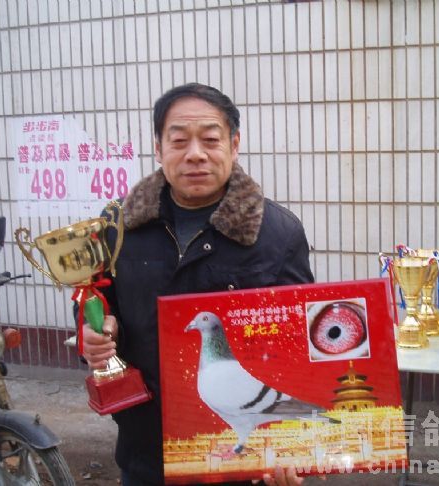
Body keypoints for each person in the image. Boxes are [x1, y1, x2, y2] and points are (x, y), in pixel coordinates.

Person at [81, 83, 314, 486]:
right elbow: (95, 298)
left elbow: (298, 346)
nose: (195, 154)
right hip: (147, 447)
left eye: (210, 139)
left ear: (234, 144)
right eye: (179, 141)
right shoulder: (118, 227)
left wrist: (293, 449)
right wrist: (95, 331)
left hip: (244, 463)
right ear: (158, 148)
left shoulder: (278, 233)